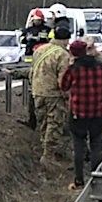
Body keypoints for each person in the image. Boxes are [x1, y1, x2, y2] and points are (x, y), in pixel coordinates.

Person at [62, 39, 102, 191]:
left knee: (79, 147)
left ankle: (78, 181)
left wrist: (69, 65)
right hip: (98, 113)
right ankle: (96, 179)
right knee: (96, 145)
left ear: (72, 53)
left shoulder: (73, 69)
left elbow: (64, 86)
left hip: (78, 114)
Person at [31, 26, 73, 166]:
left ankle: (44, 149)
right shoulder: (62, 55)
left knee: (42, 122)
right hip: (53, 94)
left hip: (37, 92)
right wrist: (67, 96)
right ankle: (48, 156)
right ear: (66, 40)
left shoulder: (40, 50)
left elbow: (32, 70)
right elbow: (63, 79)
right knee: (54, 124)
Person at [18, 8, 52, 130]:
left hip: (42, 62)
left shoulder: (47, 30)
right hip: (30, 60)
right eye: (34, 19)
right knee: (31, 92)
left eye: (38, 19)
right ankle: (33, 120)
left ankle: (41, 121)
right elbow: (21, 40)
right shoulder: (27, 30)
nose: (36, 21)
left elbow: (50, 41)